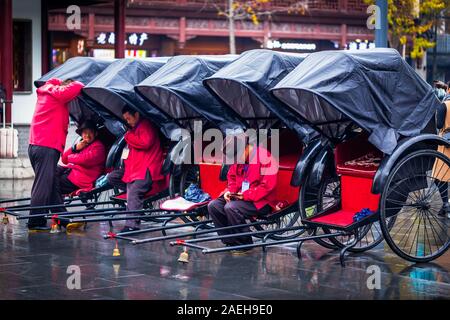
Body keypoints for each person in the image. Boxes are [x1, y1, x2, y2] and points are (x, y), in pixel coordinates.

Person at [28, 78, 84, 230]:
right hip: (46, 146)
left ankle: (63, 219)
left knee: (50, 184)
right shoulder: (57, 93)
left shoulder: (47, 92)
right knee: (43, 186)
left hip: (38, 145)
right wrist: (78, 81)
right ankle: (35, 221)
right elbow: (77, 86)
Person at [207, 136, 278, 254]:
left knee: (231, 208)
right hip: (240, 197)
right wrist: (230, 191)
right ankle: (230, 241)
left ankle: (244, 243)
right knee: (213, 205)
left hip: (261, 201)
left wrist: (246, 195)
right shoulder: (240, 159)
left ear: (244, 149)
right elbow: (232, 177)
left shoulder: (265, 157)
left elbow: (267, 187)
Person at [107, 105, 166, 233]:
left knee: (133, 192)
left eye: (129, 118)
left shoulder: (145, 126)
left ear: (137, 115)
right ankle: (135, 199)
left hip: (146, 169)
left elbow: (146, 142)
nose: (128, 122)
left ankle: (132, 225)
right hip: (133, 169)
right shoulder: (133, 128)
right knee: (112, 177)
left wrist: (128, 136)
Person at [53, 120, 106, 230]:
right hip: (71, 171)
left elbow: (84, 159)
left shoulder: (98, 147)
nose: (87, 135)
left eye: (90, 132)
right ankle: (58, 214)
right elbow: (64, 159)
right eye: (84, 133)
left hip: (80, 179)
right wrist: (74, 148)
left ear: (95, 133)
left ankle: (61, 217)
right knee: (49, 173)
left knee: (52, 184)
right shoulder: (82, 144)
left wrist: (73, 155)